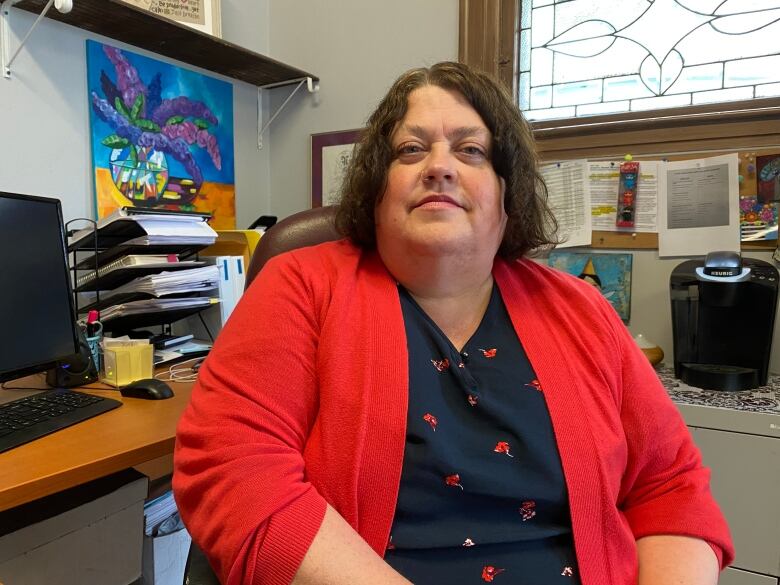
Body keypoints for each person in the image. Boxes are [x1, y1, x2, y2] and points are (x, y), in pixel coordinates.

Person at [173, 62, 733, 585]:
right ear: (375, 190)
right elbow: (232, 469)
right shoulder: (301, 286)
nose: (439, 166)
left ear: (507, 193)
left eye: (470, 150)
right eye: (411, 149)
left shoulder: (581, 310)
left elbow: (670, 485)